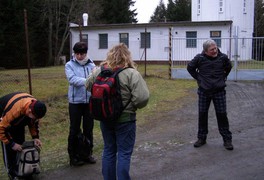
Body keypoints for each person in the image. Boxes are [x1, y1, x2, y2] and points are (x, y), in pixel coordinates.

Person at [86, 43, 149, 180]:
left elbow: (88, 85)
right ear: (127, 56)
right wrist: (131, 106)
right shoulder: (131, 73)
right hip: (126, 119)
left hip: (105, 117)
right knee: (124, 153)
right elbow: (142, 99)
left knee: (109, 150)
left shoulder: (99, 71)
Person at [187, 39, 233, 150]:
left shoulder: (223, 58)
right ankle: (201, 138)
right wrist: (199, 79)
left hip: (219, 91)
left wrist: (223, 78)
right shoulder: (200, 58)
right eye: (212, 49)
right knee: (202, 115)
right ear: (206, 51)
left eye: (215, 48)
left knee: (222, 115)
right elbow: (190, 68)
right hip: (204, 91)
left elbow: (228, 67)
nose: (215, 50)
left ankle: (227, 139)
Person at [0, 92, 47, 179]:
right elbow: (1, 128)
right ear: (29, 111)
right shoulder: (15, 110)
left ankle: (22, 170)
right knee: (10, 148)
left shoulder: (35, 108)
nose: (35, 119)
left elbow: (33, 123)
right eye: (34, 117)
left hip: (19, 116)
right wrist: (11, 144)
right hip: (4, 117)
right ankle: (12, 174)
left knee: (21, 144)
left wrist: (35, 138)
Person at [65, 42, 97, 166]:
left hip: (89, 101)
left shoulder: (91, 64)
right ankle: (73, 156)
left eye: (82, 54)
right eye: (77, 54)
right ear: (74, 53)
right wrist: (89, 81)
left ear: (86, 53)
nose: (79, 56)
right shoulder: (69, 65)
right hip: (75, 103)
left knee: (88, 129)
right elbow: (72, 80)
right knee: (74, 129)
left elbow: (96, 78)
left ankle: (87, 154)